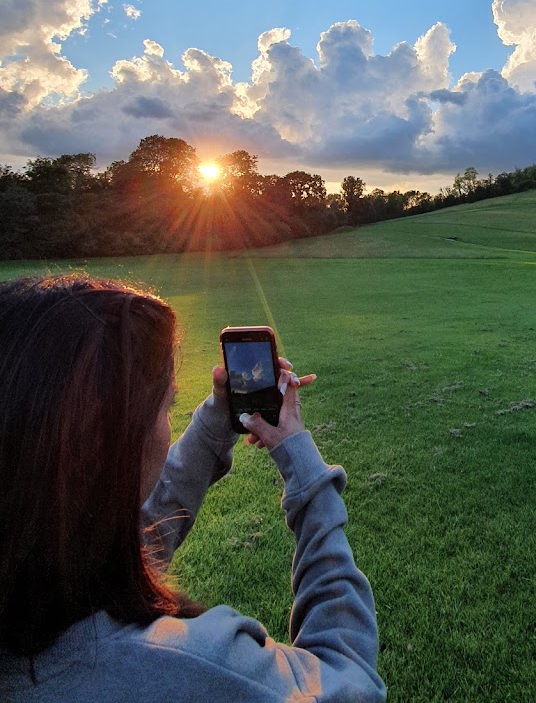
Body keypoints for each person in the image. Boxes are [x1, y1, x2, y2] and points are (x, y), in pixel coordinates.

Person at [0, 274, 385, 702]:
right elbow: (349, 680)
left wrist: (222, 413)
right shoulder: (185, 667)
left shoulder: (40, 585)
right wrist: (304, 465)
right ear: (113, 449)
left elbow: (141, 529)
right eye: (169, 406)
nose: (169, 420)